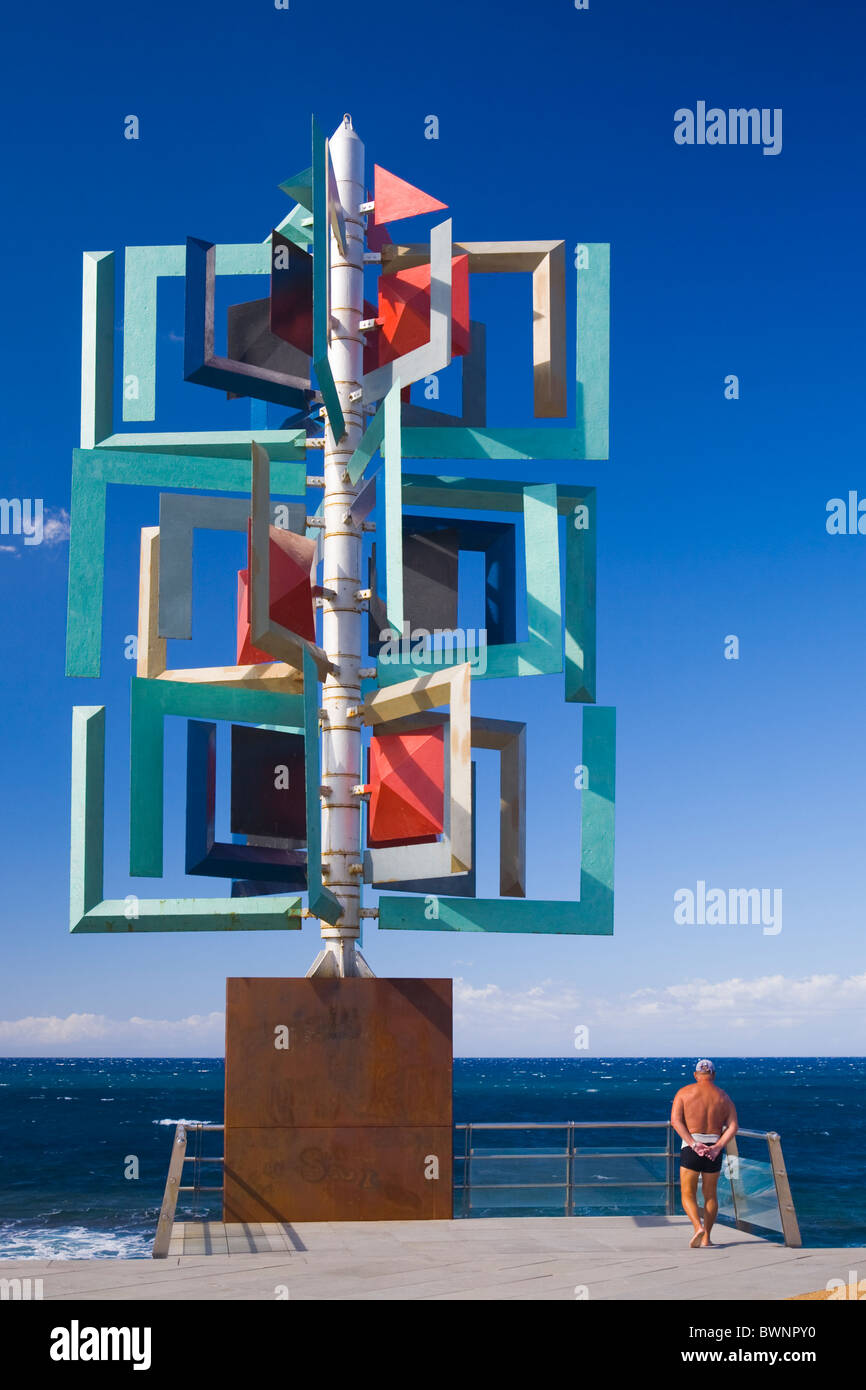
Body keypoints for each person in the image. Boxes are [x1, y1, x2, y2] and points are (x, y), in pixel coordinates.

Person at [670, 1059, 738, 1248]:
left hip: (692, 1148)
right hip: (713, 1149)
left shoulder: (683, 1093)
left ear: (695, 1074)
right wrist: (717, 1146)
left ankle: (697, 1227)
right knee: (710, 1195)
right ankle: (707, 1237)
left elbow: (676, 1121)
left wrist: (692, 1143)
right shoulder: (724, 1096)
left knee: (687, 1193)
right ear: (713, 1075)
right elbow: (733, 1126)